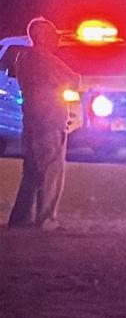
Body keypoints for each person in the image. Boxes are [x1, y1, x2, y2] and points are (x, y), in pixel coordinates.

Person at [8, 17, 81, 230]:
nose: (56, 39)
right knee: (50, 172)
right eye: (52, 34)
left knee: (31, 172)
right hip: (49, 121)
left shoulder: (24, 59)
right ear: (41, 36)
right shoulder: (45, 60)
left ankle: (21, 218)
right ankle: (46, 219)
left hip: (32, 121)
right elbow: (72, 80)